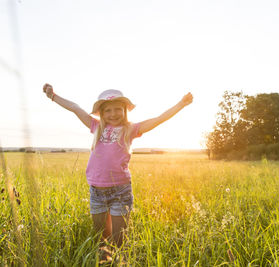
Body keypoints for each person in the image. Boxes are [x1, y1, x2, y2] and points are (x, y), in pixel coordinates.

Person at [42, 83, 193, 253]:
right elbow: (76, 108)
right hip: (97, 193)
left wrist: (181, 104)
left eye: (117, 109)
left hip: (120, 192)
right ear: (102, 113)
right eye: (108, 110)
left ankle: (119, 261)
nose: (113, 114)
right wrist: (53, 96)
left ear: (124, 110)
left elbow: (158, 119)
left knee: (118, 241)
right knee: (102, 239)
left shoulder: (131, 129)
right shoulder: (97, 127)